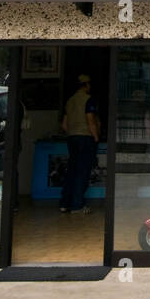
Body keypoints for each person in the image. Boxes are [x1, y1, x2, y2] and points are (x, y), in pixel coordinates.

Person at [60, 74, 99, 214]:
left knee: (72, 170)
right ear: (86, 85)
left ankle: (65, 203)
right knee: (82, 172)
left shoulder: (69, 101)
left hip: (72, 138)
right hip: (85, 138)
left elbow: (64, 125)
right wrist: (95, 137)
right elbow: (90, 121)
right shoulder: (88, 100)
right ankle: (77, 205)